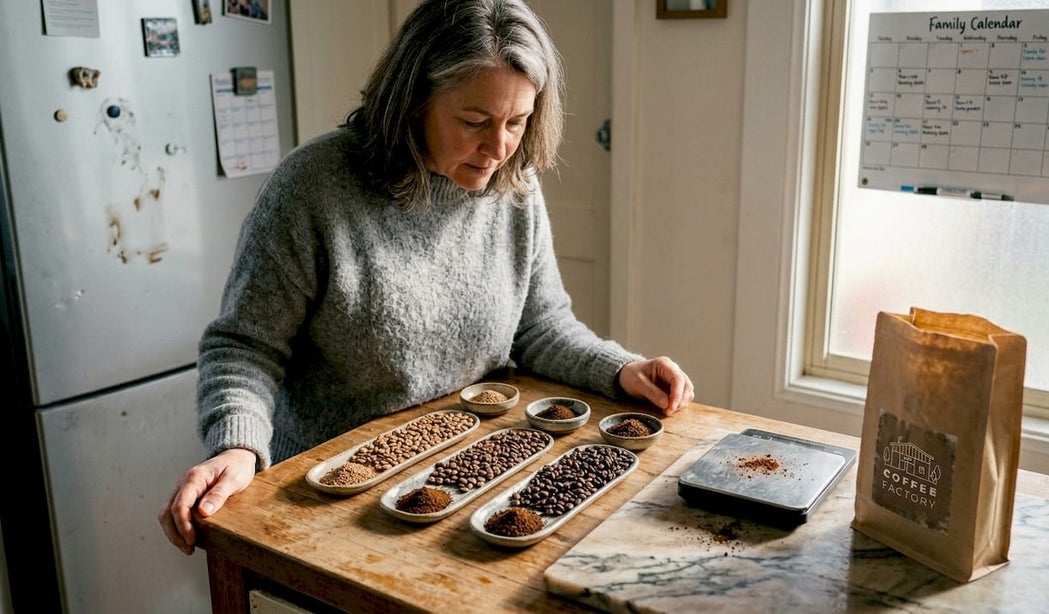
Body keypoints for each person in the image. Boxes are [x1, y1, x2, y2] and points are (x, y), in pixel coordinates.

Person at [159, 0, 695, 556]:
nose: (499, 148)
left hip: (465, 481)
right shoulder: (314, 186)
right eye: (474, 122)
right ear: (413, 101)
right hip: (326, 501)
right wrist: (237, 445)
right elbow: (245, 345)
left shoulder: (514, 185)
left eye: (518, 121)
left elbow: (540, 325)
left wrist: (623, 369)